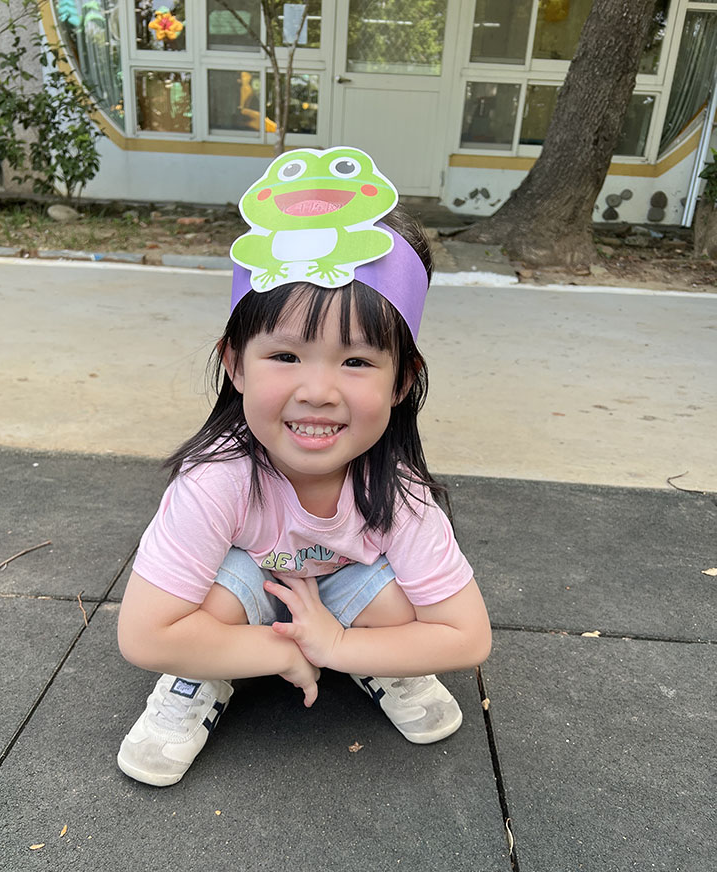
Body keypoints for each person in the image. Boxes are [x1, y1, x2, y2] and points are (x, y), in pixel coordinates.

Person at [116, 147, 491, 787]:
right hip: (248, 589)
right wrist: (279, 651)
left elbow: (468, 636)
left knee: (398, 599)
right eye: (286, 356)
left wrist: (339, 646)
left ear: (402, 381)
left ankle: (375, 658)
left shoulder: (398, 493)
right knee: (210, 599)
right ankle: (200, 678)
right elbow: (144, 635)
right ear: (235, 363)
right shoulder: (217, 480)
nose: (318, 392)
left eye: (356, 362)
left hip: (340, 589)